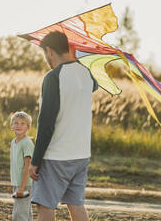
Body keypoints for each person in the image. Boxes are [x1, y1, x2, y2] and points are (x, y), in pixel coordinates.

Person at [29, 31, 98, 221]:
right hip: (81, 155)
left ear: (49, 51)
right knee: (76, 206)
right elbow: (94, 86)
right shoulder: (86, 75)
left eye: (45, 54)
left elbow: (46, 123)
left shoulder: (53, 77)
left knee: (45, 207)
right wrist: (76, 58)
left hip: (56, 156)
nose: (46, 59)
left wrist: (36, 160)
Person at [10, 111, 35, 221]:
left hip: (25, 183)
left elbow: (27, 166)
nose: (18, 126)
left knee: (19, 215)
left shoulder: (27, 143)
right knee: (26, 213)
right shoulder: (13, 142)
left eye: (22, 123)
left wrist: (22, 186)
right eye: (16, 123)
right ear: (11, 126)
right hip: (17, 182)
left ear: (28, 127)